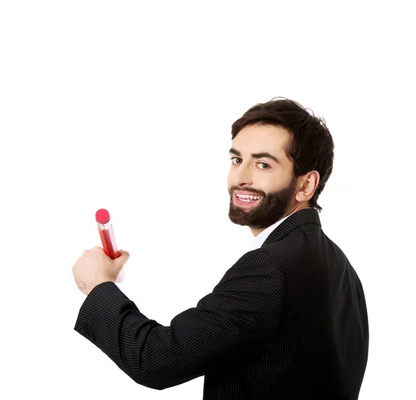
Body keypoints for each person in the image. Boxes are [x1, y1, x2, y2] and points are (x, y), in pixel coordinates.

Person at [72, 98, 369, 399]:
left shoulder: (270, 267)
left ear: (306, 185)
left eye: (263, 164)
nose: (241, 178)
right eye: (237, 160)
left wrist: (97, 285)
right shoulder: (342, 269)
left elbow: (155, 360)